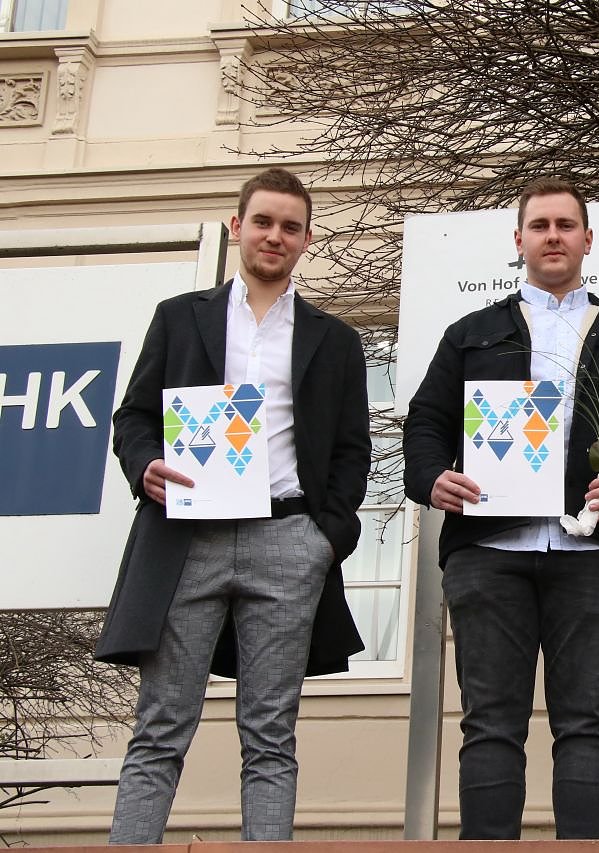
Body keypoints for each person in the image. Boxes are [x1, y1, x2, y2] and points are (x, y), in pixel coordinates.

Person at [403, 176, 599, 839]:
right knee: (489, 723)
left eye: (565, 225)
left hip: (593, 551)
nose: (553, 236)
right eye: (540, 225)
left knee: (588, 722)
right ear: (518, 240)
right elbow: (425, 423)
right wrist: (432, 478)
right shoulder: (471, 333)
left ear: (588, 239)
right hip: (487, 551)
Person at [96, 167, 371, 843]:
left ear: (306, 239)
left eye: (290, 227)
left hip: (288, 540)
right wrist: (145, 464)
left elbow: (351, 449)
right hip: (187, 538)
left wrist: (325, 538)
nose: (275, 236)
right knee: (161, 724)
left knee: (271, 732)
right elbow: (133, 418)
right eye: (263, 222)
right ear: (237, 226)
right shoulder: (179, 316)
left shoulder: (336, 339)